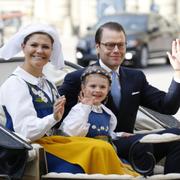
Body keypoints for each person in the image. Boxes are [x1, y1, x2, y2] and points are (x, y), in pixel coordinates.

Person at [0, 23, 139, 177]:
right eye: (34, 45)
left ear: (51, 51)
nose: (39, 51)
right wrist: (53, 118)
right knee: (97, 151)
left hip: (54, 143)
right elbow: (25, 131)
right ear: (23, 47)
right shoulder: (16, 83)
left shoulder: (48, 83)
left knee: (102, 147)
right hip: (31, 151)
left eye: (45, 47)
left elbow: (63, 129)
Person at [58, 22, 180, 174]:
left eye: (121, 45)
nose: (116, 50)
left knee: (177, 136)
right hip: (96, 149)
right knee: (143, 145)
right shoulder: (76, 78)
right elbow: (60, 122)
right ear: (97, 47)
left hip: (130, 142)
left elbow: (167, 106)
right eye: (110, 45)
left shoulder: (135, 77)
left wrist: (178, 73)